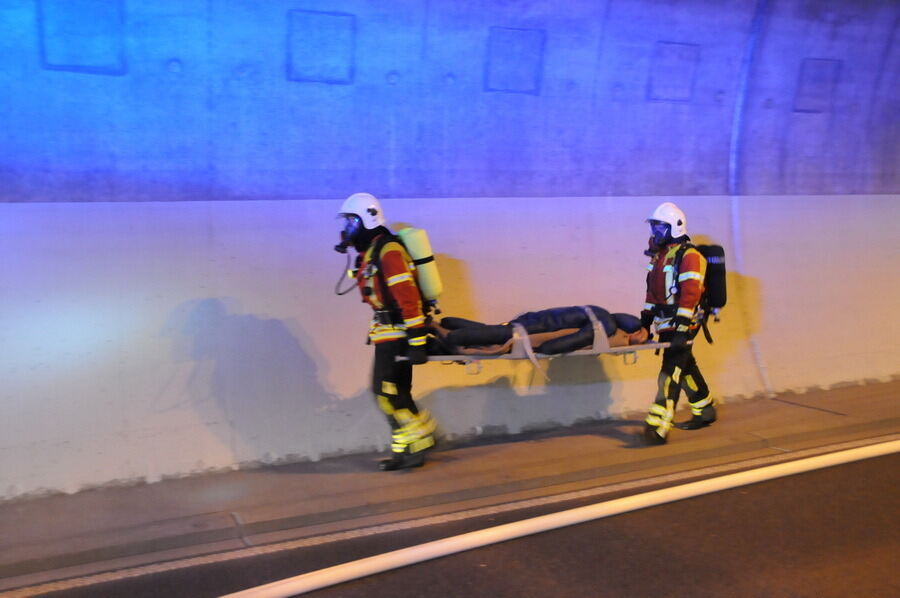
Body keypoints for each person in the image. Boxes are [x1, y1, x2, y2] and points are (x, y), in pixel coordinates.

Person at [336, 192, 437, 470]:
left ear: (367, 219)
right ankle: (409, 448)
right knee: (397, 392)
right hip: (387, 331)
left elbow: (407, 295)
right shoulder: (372, 252)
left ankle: (419, 439)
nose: (346, 229)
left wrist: (417, 340)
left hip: (398, 332)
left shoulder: (388, 251)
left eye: (351, 222)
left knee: (385, 393)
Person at [640, 202, 717, 445]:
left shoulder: (690, 256)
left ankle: (657, 426)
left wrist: (683, 328)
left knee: (670, 373)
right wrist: (646, 321)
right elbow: (653, 292)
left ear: (675, 227)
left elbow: (691, 293)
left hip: (683, 322)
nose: (655, 233)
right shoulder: (660, 257)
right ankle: (705, 409)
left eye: (659, 228)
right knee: (685, 368)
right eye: (654, 227)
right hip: (665, 323)